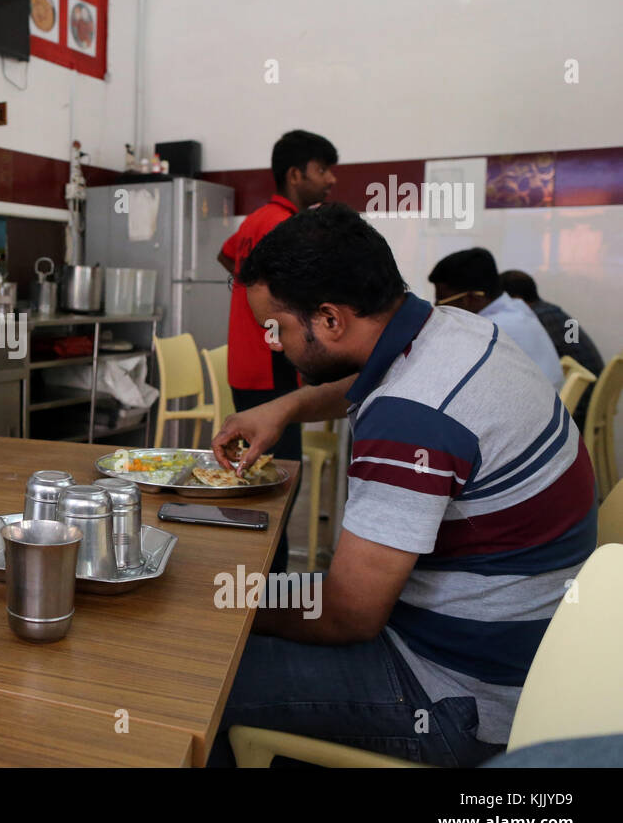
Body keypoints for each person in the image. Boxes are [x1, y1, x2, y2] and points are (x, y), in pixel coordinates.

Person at [207, 204, 596, 767]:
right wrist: (285, 408)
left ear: (331, 319)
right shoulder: (453, 329)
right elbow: (367, 380)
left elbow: (347, 614)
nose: (271, 343)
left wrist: (225, 599)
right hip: (525, 657)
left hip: (457, 694)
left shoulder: (410, 419)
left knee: (202, 672)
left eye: (278, 327)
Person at [216, 129, 338, 570]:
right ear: (295, 174)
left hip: (247, 365)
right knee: (277, 485)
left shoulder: (254, 221)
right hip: (274, 365)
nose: (331, 180)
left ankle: (254, 584)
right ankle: (268, 596)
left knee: (257, 481)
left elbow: (227, 256)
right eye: (322, 170)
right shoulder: (287, 225)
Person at [427, 249, 562, 388]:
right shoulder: (516, 308)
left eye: (441, 301)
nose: (437, 306)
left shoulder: (491, 329)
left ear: (472, 298)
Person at [500, 269, 604, 427]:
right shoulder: (553, 311)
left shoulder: (531, 320)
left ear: (516, 298)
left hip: (579, 405)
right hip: (594, 396)